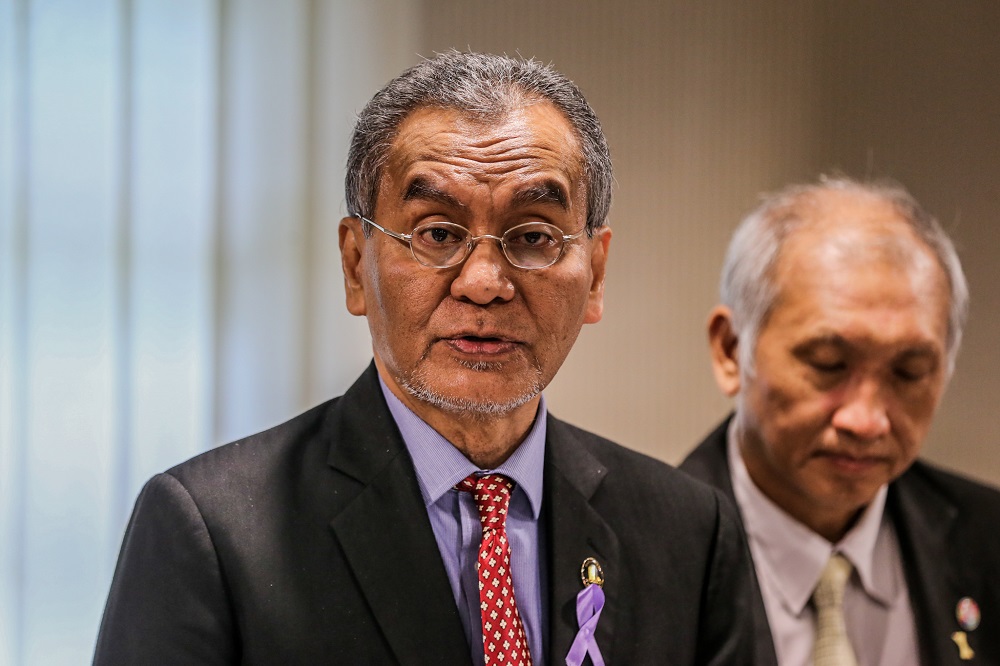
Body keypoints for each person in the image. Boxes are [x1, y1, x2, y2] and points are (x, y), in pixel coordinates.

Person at [95, 51, 756, 665]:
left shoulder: (688, 533)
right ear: (356, 265)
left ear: (597, 273)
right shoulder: (214, 531)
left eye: (533, 237)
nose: (484, 282)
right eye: (437, 233)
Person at [681, 177, 1000, 665]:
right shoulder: (645, 555)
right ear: (731, 349)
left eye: (908, 372)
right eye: (828, 364)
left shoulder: (988, 542)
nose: (866, 420)